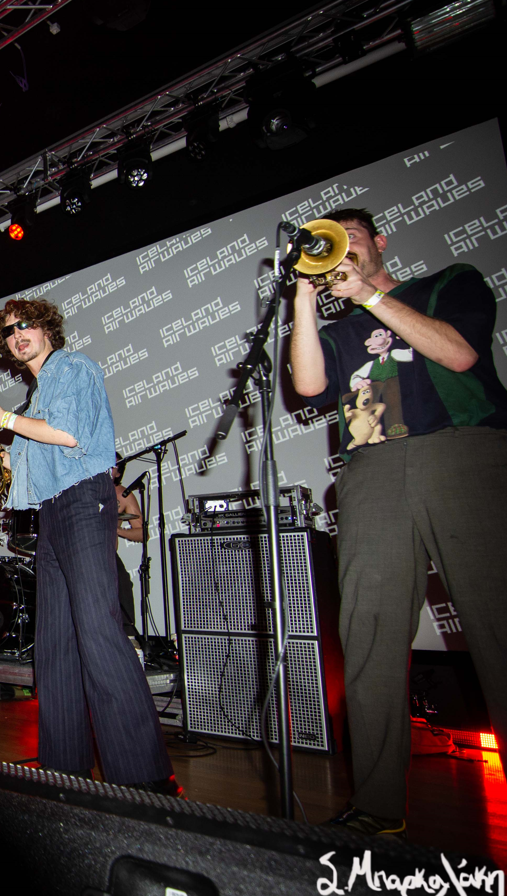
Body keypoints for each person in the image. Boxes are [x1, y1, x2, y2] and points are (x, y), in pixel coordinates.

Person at [288, 207, 507, 838]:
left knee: (497, 621)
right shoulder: (341, 328)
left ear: (379, 241)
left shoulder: (447, 283)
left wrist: (369, 293)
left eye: (349, 237)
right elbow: (308, 385)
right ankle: (378, 804)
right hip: (373, 467)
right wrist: (305, 294)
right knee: (370, 635)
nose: (340, 251)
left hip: (461, 452)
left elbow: (460, 355)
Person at [0, 299, 176, 793]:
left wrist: (4, 420)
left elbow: (68, 434)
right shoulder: (36, 396)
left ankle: (145, 777)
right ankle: (65, 769)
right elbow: (26, 459)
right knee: (55, 645)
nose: (17, 334)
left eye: (26, 325)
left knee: (99, 633)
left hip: (83, 501)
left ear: (47, 330)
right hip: (52, 510)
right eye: (9, 331)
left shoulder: (73, 367)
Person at [111, 457, 143, 637]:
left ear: (119, 472)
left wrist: (117, 530)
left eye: (112, 465)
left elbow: (142, 533)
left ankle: (129, 640)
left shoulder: (122, 495)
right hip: (80, 553)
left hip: (107, 554)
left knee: (123, 586)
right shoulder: (81, 489)